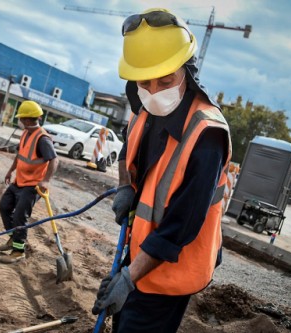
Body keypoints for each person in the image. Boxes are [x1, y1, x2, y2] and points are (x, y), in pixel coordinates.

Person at [91, 8, 232, 333]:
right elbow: (130, 150)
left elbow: (181, 225)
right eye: (145, 82)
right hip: (141, 253)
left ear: (187, 70)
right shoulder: (146, 111)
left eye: (166, 80)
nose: (154, 91)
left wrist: (128, 277)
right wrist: (126, 186)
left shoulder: (207, 135)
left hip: (174, 267)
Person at [0, 100, 59, 264]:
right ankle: (13, 238)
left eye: (21, 118)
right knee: (4, 206)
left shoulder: (42, 138)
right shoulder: (25, 133)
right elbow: (20, 155)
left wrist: (46, 181)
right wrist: (11, 170)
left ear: (26, 119)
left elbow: (54, 160)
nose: (20, 121)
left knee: (19, 215)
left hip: (33, 186)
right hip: (19, 181)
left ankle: (18, 251)